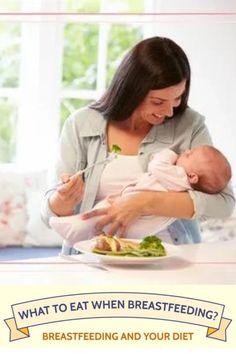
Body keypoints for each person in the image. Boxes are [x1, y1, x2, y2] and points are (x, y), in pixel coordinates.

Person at [41, 36, 235, 255]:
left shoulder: (190, 126)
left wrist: (145, 202)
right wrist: (63, 200)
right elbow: (48, 214)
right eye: (158, 102)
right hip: (93, 257)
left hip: (170, 259)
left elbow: (224, 203)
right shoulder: (81, 124)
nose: (170, 111)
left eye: (177, 98)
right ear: (131, 90)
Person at [48, 145, 232, 246]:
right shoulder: (186, 185)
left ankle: (73, 228)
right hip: (144, 228)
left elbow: (156, 166)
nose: (184, 151)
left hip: (143, 220)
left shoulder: (178, 175)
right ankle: (86, 235)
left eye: (189, 154)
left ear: (192, 176)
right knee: (104, 224)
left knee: (100, 214)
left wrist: (168, 153)